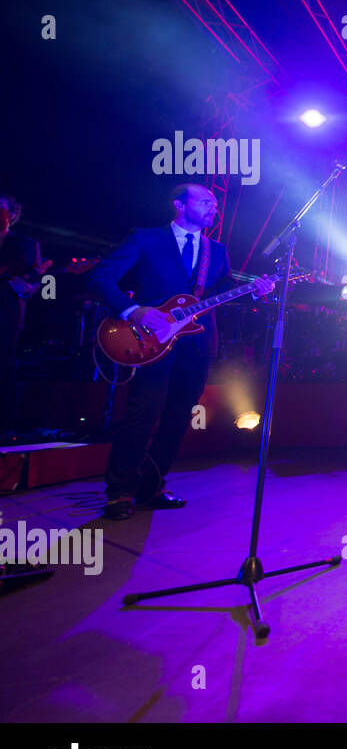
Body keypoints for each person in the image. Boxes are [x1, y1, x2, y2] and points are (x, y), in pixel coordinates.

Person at [86, 184, 275, 520]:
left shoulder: (216, 250)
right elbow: (100, 278)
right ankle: (120, 492)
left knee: (177, 417)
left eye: (215, 204)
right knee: (142, 414)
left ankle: (152, 487)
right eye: (205, 201)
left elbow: (222, 293)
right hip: (148, 338)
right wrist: (136, 311)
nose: (213, 208)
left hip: (197, 344)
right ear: (179, 204)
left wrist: (255, 292)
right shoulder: (145, 238)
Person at [0, 194, 46, 435]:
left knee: (3, 366)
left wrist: (28, 287)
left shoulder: (25, 244)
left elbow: (35, 280)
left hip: (5, 313)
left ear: (12, 215)